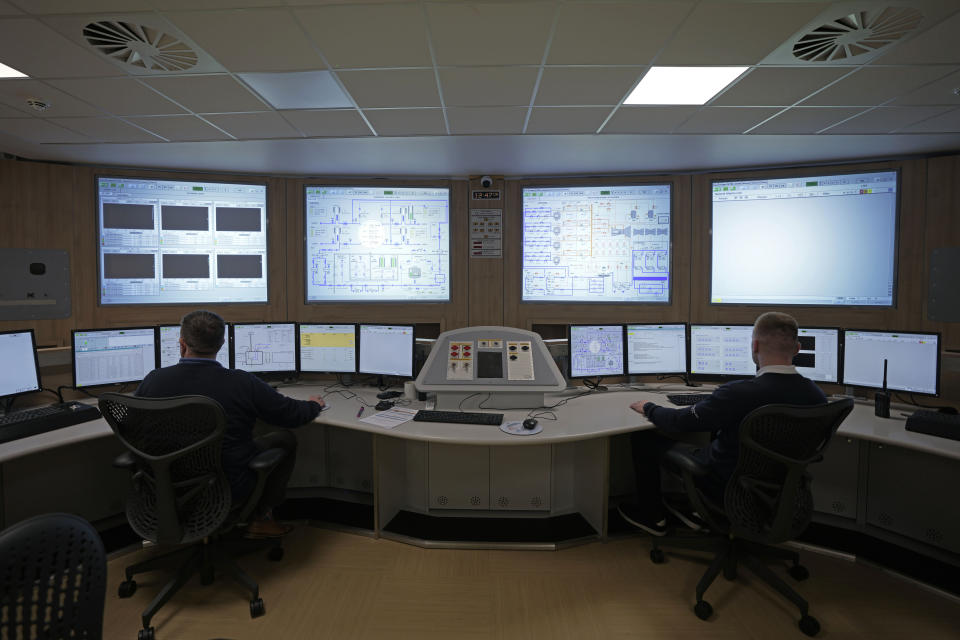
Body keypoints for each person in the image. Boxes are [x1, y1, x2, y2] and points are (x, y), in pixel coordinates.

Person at [619, 311, 827, 536]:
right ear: (797, 349)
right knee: (717, 435)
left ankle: (653, 518)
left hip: (725, 486)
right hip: (781, 491)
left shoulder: (737, 393)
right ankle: (697, 513)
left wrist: (649, 407)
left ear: (754, 346)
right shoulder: (817, 396)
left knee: (643, 440)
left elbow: (679, 422)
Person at [136, 310, 325, 538]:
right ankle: (261, 517)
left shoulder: (153, 380)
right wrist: (314, 405)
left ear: (182, 344)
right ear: (222, 343)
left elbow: (132, 426)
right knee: (285, 439)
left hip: (164, 489)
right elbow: (293, 416)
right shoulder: (242, 382)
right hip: (228, 488)